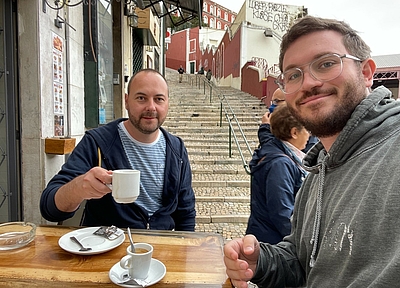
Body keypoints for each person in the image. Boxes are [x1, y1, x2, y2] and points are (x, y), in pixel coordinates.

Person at [224, 15, 400, 288]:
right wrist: (263, 261)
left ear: (366, 73)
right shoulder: (316, 171)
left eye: (327, 63)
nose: (308, 83)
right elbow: (303, 262)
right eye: (294, 75)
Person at [40, 69, 196, 231]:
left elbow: (185, 212)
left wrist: (183, 251)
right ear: (126, 101)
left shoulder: (176, 148)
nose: (151, 107)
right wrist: (79, 188)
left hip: (159, 248)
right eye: (141, 98)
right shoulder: (97, 142)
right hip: (106, 249)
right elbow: (49, 208)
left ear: (167, 103)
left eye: (159, 99)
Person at [246, 103, 309, 244]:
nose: (309, 134)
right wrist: (302, 244)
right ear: (294, 132)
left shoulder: (279, 152)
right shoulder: (280, 164)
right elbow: (282, 213)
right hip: (275, 243)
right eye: (307, 129)